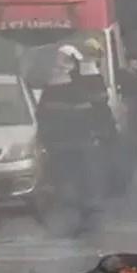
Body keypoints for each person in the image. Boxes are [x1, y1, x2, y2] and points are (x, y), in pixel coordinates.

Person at [36, 44, 114, 218]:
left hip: (75, 137)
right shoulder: (68, 82)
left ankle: (79, 201)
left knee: (79, 170)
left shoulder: (68, 82)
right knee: (74, 171)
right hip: (70, 137)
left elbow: (97, 107)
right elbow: (45, 113)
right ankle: (76, 201)